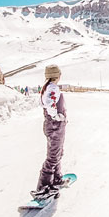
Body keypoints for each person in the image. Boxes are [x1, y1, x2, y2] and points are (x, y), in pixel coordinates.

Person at [30, 64, 69, 199]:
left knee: (57, 152)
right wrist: (56, 116)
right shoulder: (53, 88)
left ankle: (56, 178)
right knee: (53, 156)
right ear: (57, 76)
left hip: (52, 125)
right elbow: (49, 102)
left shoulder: (47, 86)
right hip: (55, 125)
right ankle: (43, 187)